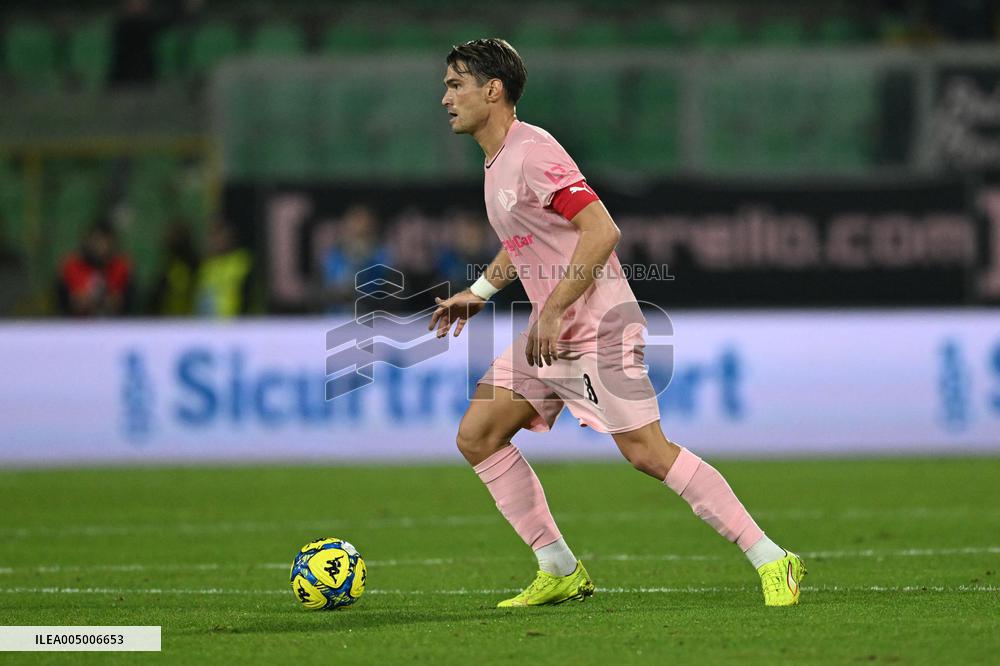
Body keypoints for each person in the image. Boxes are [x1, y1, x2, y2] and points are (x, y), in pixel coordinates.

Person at [430, 39, 805, 608]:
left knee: (648, 453)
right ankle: (558, 568)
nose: (445, 98)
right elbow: (523, 240)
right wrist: (480, 292)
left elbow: (602, 232)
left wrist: (553, 309)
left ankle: (772, 557)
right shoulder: (498, 160)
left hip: (597, 328)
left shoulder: (534, 152)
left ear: (494, 89)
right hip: (551, 333)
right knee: (478, 435)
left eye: (456, 84)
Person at [58, 222, 133, 317]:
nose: (101, 247)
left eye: (105, 242)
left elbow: (126, 302)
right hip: (76, 326)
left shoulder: (121, 266)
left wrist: (107, 301)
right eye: (97, 241)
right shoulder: (72, 265)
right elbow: (65, 301)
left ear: (112, 243)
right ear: (88, 241)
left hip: (115, 326)